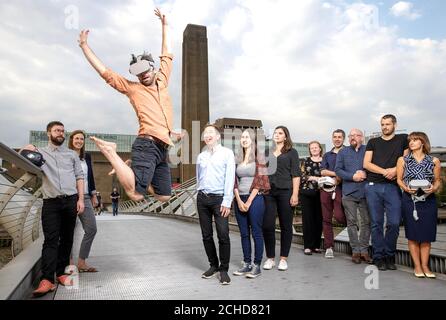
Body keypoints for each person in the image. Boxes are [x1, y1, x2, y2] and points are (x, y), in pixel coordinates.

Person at [78, 8, 179, 203]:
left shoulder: (163, 80)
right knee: (136, 194)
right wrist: (85, 47)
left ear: (153, 68)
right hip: (147, 145)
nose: (143, 75)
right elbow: (106, 73)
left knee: (164, 196)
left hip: (162, 149)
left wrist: (165, 26)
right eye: (139, 73)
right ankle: (110, 150)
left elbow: (166, 53)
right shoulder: (133, 88)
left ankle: (133, 166)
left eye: (146, 71)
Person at [21, 121, 85, 297]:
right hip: (51, 203)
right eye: (57, 130)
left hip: (71, 200)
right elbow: (16, 165)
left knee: (67, 239)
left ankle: (62, 274)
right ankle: (47, 279)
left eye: (63, 131)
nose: (61, 133)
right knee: (50, 240)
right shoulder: (40, 152)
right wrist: (25, 149)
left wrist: (81, 199)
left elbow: (79, 177)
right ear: (48, 133)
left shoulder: (72, 154)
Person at [364, 114, 409, 270]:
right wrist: (385, 171)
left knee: (394, 223)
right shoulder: (373, 142)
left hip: (393, 187)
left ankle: (389, 255)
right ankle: (378, 257)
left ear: (394, 125)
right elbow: (366, 164)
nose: (384, 127)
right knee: (376, 223)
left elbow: (406, 159)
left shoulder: (403, 139)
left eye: (388, 124)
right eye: (382, 124)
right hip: (373, 186)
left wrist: (396, 170)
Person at [396, 132, 442, 278]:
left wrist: (434, 188)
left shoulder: (434, 160)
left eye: (415, 140)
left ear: (423, 142)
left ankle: (425, 266)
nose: (411, 143)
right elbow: (399, 180)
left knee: (427, 235)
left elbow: (438, 180)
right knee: (413, 234)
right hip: (410, 200)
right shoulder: (402, 160)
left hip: (428, 200)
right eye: (410, 140)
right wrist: (406, 188)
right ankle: (417, 266)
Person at [196, 124, 235, 285]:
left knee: (223, 234)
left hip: (219, 199)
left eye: (211, 132)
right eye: (205, 133)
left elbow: (230, 178)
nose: (207, 135)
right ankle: (213, 265)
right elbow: (199, 178)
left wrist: (227, 201)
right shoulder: (201, 156)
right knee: (206, 235)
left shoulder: (227, 153)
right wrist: (198, 193)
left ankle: (224, 269)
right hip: (202, 199)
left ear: (218, 136)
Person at [233, 129, 270, 279]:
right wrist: (238, 199)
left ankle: (256, 265)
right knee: (243, 234)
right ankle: (246, 263)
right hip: (239, 198)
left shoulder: (259, 158)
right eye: (242, 137)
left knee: (256, 232)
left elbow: (260, 181)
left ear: (253, 140)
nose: (244, 139)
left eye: (247, 137)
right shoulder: (237, 158)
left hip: (255, 198)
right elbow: (233, 180)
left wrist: (248, 201)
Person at [263, 126, 301, 271]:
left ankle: (283, 258)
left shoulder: (292, 152)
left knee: (286, 225)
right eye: (275, 132)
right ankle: (270, 258)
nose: (277, 135)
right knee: (267, 225)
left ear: (286, 137)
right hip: (269, 193)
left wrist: (295, 194)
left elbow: (296, 174)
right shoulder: (267, 152)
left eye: (280, 133)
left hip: (286, 192)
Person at [335, 129, 372, 264]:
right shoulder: (342, 152)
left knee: (366, 222)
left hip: (366, 192)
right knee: (351, 223)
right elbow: (338, 170)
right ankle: (355, 251)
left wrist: (365, 173)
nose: (352, 138)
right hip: (349, 192)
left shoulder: (368, 150)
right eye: (350, 136)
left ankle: (364, 251)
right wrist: (352, 176)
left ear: (362, 137)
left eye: (356, 135)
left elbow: (373, 166)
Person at [68, 130, 99, 272]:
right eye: (76, 138)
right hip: (70, 196)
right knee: (68, 231)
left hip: (85, 197)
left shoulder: (86, 156)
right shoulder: (66, 155)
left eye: (81, 139)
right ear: (71, 140)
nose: (79, 141)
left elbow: (90, 176)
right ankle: (68, 262)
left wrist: (93, 195)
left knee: (91, 229)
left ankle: (81, 262)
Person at [320, 129, 347, 259]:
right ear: (332, 138)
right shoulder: (327, 155)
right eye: (335, 137)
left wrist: (340, 175)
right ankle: (329, 247)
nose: (337, 139)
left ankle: (355, 231)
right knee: (326, 218)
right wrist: (337, 173)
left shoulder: (347, 152)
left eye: (339, 137)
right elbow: (323, 171)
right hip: (326, 188)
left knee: (339, 216)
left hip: (341, 189)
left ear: (343, 139)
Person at [299, 141, 323, 255]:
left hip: (321, 193)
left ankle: (316, 245)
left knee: (319, 219)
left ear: (320, 149)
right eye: (311, 148)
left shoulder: (325, 161)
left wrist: (316, 178)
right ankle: (307, 246)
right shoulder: (305, 161)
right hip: (306, 193)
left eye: (316, 147)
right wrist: (315, 177)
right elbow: (301, 176)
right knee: (308, 220)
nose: (314, 149)